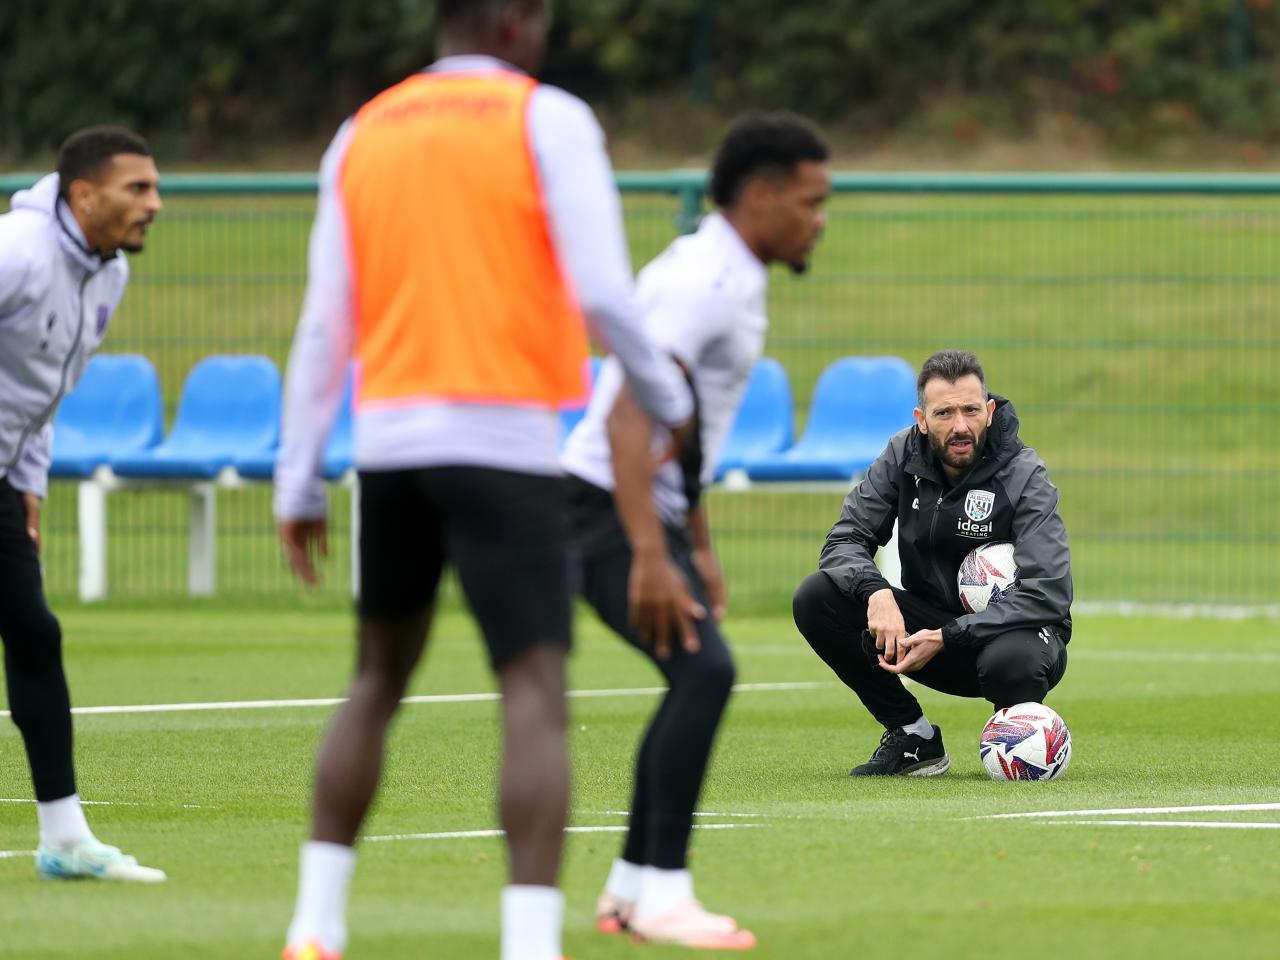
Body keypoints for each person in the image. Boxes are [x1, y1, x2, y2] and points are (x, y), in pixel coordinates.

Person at [272, 1, 694, 959]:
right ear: (511, 22)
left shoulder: (362, 131)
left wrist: (298, 482)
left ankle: (314, 923)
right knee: (533, 691)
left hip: (387, 448)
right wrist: (666, 398)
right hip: (501, 439)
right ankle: (530, 941)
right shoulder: (547, 118)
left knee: (376, 680)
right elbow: (599, 290)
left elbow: (321, 324)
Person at [561, 111, 831, 949]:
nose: (820, 219)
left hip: (637, 507)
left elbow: (682, 427)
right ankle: (662, 893)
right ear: (760, 196)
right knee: (705, 673)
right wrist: (649, 552)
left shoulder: (731, 273)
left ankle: (631, 889)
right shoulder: (706, 281)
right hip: (604, 507)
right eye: (811, 201)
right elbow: (627, 419)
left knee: (696, 676)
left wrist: (697, 547)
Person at [0, 127, 165, 881]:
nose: (154, 205)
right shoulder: (19, 253)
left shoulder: (110, 275)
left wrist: (27, 481)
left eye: (156, 189)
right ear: (83, 195)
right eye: (138, 189)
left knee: (34, 634)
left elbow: (43, 394)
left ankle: (65, 842)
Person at [792, 350, 1071, 776]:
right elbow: (845, 539)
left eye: (971, 410)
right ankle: (914, 738)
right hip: (925, 638)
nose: (960, 425)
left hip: (1012, 639)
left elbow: (1048, 593)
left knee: (1010, 662)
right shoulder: (903, 455)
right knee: (817, 596)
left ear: (990, 411)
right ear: (922, 419)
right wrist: (877, 593)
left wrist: (950, 634)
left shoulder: (1024, 474)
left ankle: (1016, 738)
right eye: (945, 413)